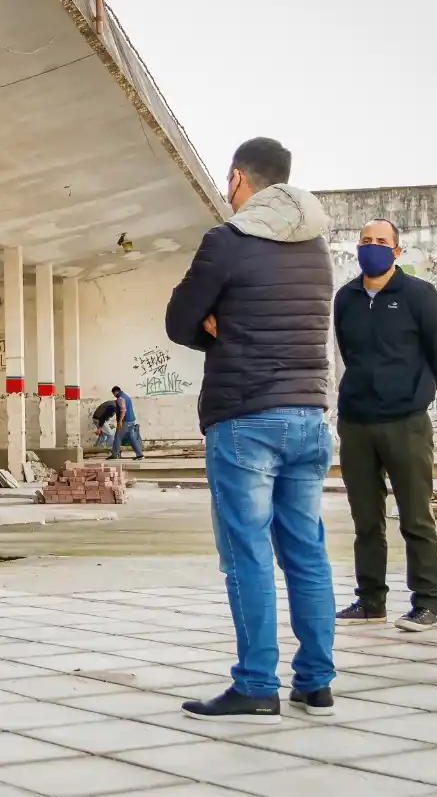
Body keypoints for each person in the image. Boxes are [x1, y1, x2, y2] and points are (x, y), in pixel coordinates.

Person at [165, 137, 337, 723]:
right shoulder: (317, 246)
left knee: (248, 553)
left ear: (238, 178)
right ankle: (315, 684)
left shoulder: (227, 242)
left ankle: (257, 683)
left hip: (245, 417)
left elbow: (178, 319)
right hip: (310, 416)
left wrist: (218, 326)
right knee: (307, 553)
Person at [334, 218, 437, 632]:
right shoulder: (344, 298)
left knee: (415, 517)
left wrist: (413, 393)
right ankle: (370, 600)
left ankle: (426, 603)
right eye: (365, 241)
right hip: (356, 423)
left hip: (406, 422)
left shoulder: (419, 295)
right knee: (366, 519)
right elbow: (348, 352)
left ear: (396, 251)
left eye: (381, 241)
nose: (372, 247)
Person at [108, 386, 144, 460]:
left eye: (114, 393)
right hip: (131, 420)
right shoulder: (127, 396)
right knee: (132, 438)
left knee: (118, 437)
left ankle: (115, 454)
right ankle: (140, 455)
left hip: (125, 421)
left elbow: (123, 410)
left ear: (116, 391)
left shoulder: (120, 398)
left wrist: (120, 421)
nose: (114, 395)